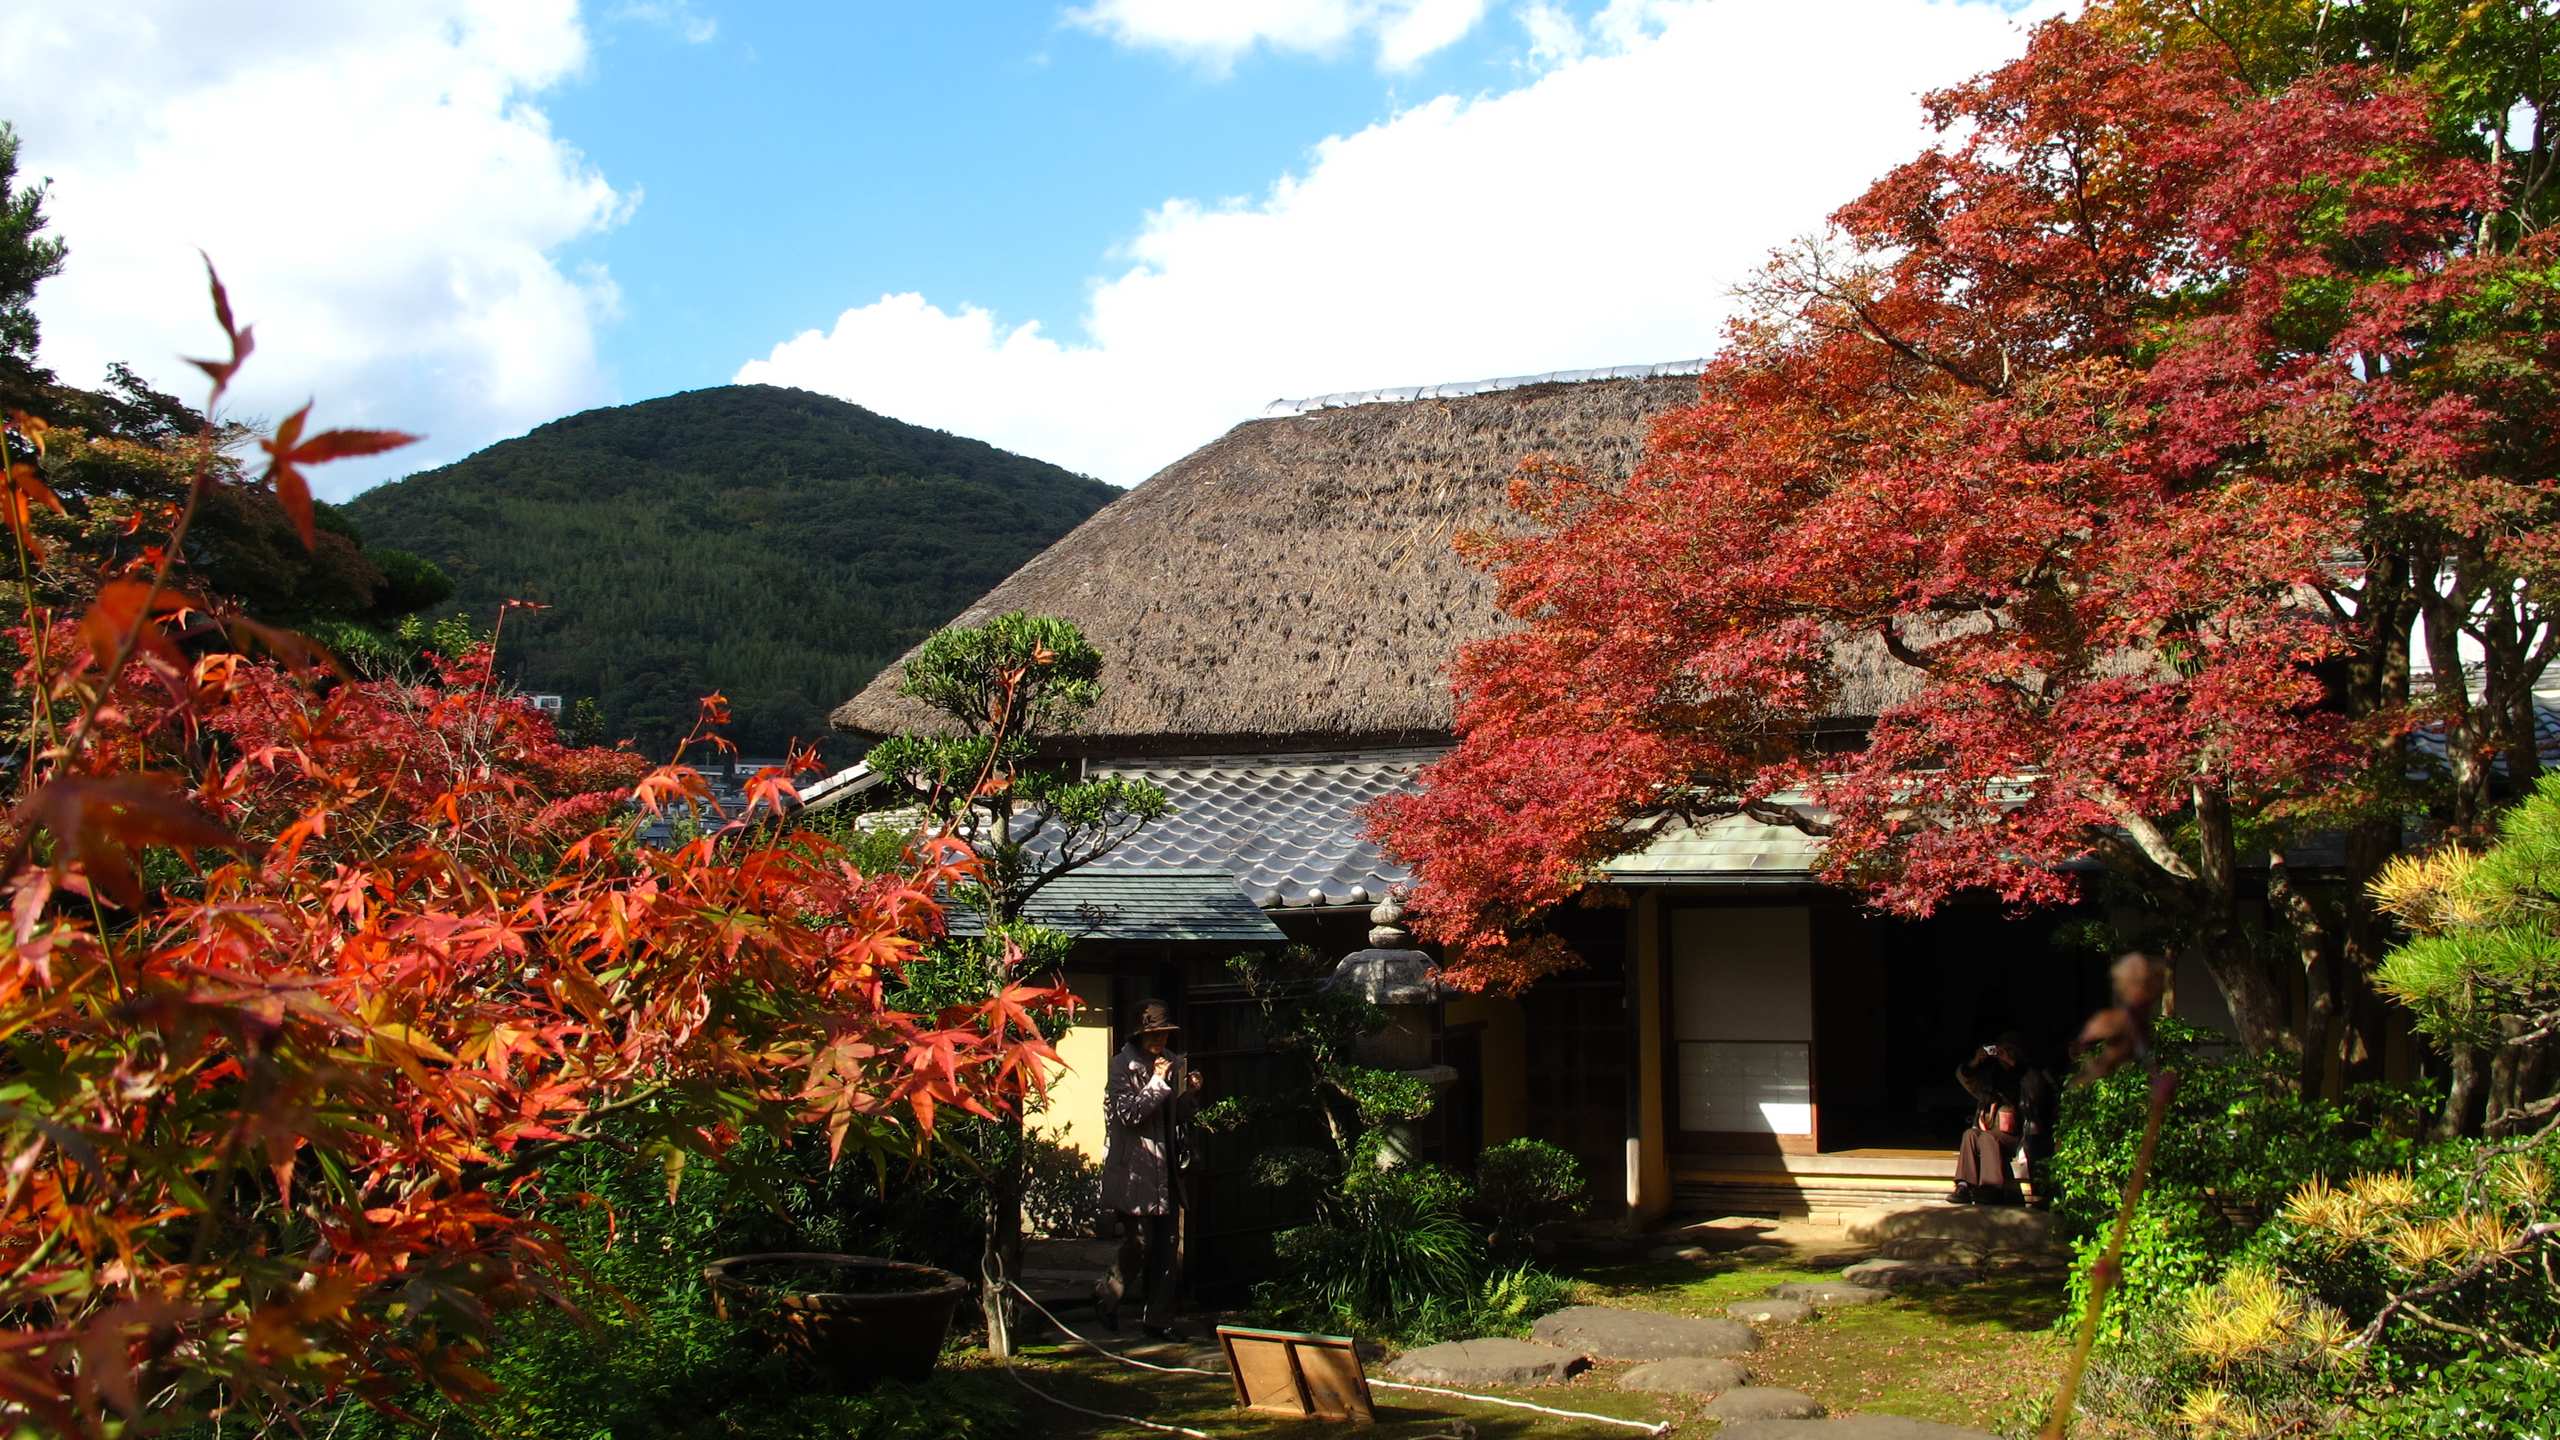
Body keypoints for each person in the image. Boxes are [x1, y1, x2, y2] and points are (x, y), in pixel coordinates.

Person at [1097, 999, 1202, 1341]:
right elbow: (1128, 1115)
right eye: (1154, 1035)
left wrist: (1191, 1095)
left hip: (1166, 1167)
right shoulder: (1121, 1066)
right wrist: (1158, 1081)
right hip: (1136, 1170)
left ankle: (1159, 1319)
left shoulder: (1170, 1062)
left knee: (1168, 1246)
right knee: (1139, 1244)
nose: (1160, 1042)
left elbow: (1178, 1117)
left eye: (1165, 1035)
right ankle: (1107, 1295)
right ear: (1141, 1035)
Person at [1950, 1031, 2054, 1206]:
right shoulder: (1992, 1077)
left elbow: (2036, 1090)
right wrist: (1975, 1062)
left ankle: (1991, 1188)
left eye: (2010, 1049)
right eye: (2001, 1049)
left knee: (1987, 1137)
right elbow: (1966, 1079)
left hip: (2019, 1135)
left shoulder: (2028, 1073)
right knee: (1971, 1134)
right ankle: (1963, 1185)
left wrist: (2012, 1063)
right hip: (1992, 1129)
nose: (2004, 1053)